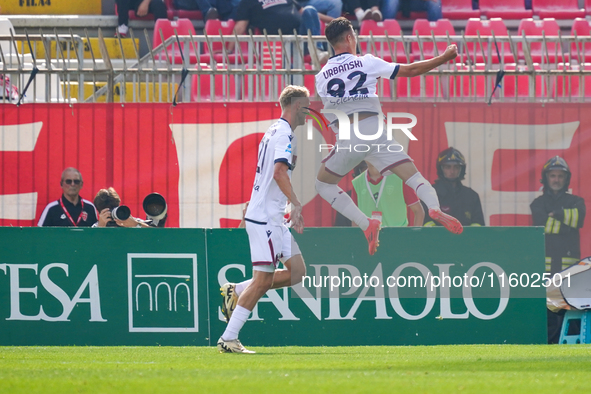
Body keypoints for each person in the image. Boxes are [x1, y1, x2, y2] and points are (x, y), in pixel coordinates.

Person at [314, 17, 462, 256]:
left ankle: (366, 224)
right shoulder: (366, 62)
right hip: (376, 132)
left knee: (322, 184)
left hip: (348, 137)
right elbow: (411, 70)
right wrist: (444, 57)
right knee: (415, 179)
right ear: (350, 38)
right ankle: (434, 208)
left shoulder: (321, 78)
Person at [217, 85, 309, 354]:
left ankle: (236, 289)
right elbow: (279, 172)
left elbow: (277, 170)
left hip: (273, 218)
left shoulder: (274, 130)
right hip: (266, 220)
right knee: (263, 281)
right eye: (306, 105)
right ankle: (229, 338)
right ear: (294, 106)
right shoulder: (283, 134)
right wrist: (296, 202)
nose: (309, 111)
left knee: (298, 272)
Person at [530, 156, 586, 344]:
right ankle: (549, 343)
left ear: (566, 179)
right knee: (547, 307)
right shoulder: (537, 203)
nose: (556, 179)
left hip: (570, 269)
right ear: (546, 178)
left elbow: (578, 220)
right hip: (545, 266)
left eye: (560, 176)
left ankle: (573, 342)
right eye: (552, 175)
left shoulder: (577, 201)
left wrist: (554, 216)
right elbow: (541, 224)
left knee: (571, 306)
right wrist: (565, 219)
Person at [232, 0, 329, 62]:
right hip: (280, 45)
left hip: (301, 39)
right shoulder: (248, 2)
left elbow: (309, 14)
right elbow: (240, 26)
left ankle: (317, 51)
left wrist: (333, 20)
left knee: (310, 9)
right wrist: (228, 49)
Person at [423, 147, 484, 227]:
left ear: (461, 169)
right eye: (448, 167)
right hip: (438, 239)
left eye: (456, 167)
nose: (452, 171)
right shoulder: (430, 194)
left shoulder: (472, 196)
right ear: (441, 169)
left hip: (466, 239)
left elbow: (478, 224)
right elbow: (426, 223)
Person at [351, 161, 424, 227]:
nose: (371, 153)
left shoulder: (400, 178)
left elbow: (419, 211)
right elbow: (354, 218)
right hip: (368, 239)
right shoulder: (357, 182)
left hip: (396, 238)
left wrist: (415, 236)